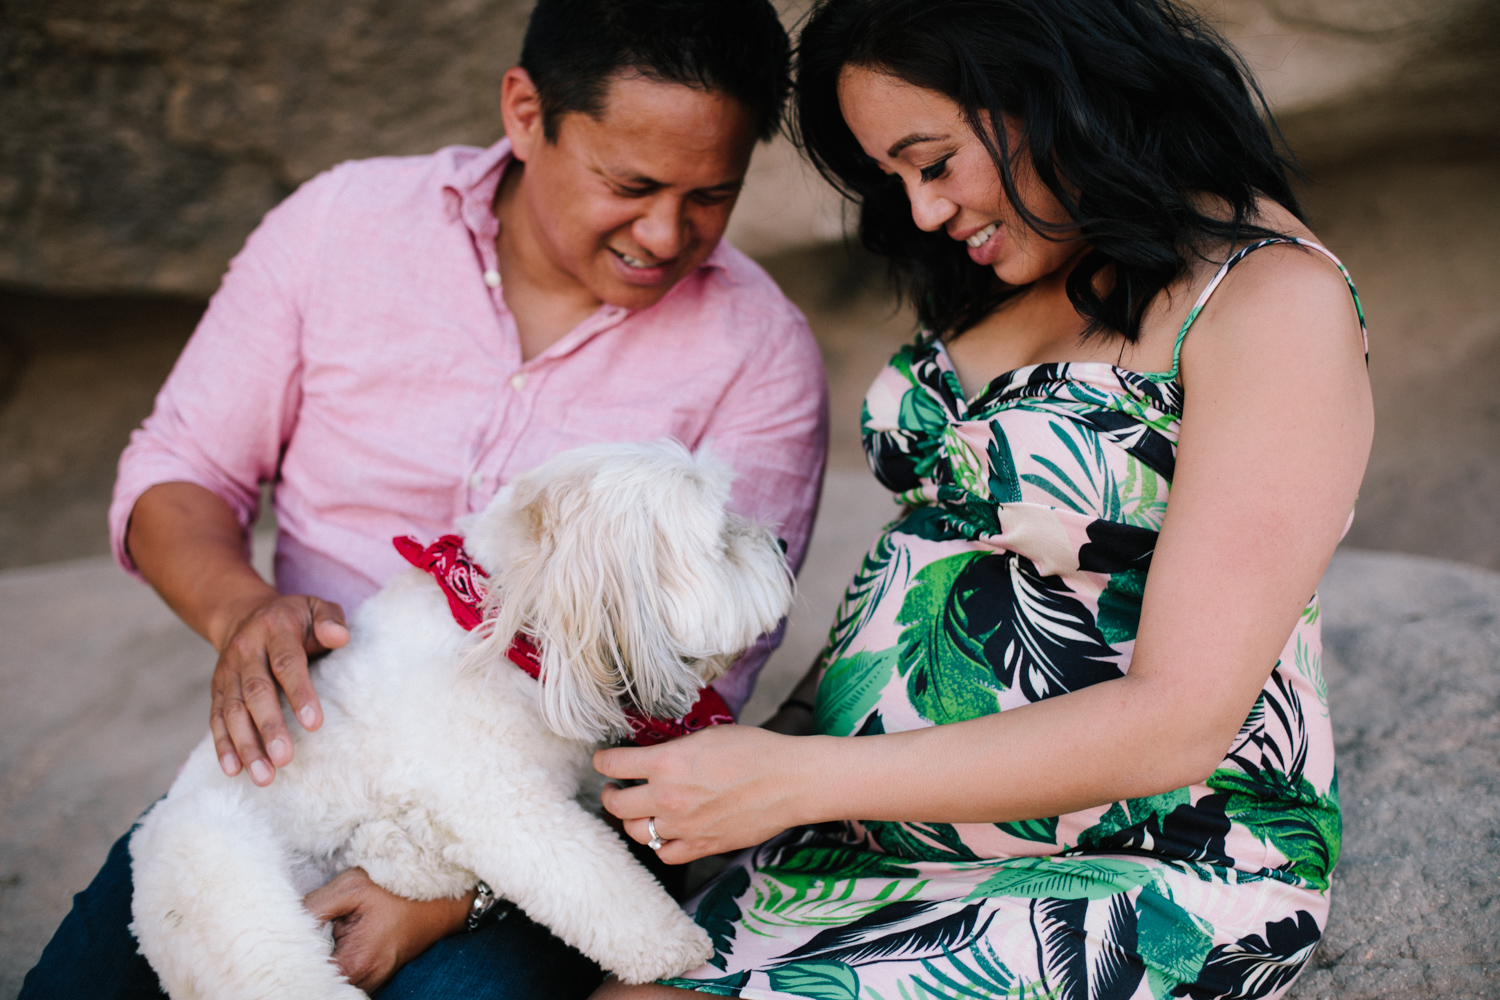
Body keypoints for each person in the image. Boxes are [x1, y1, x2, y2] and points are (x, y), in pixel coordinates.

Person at [20, 1, 826, 997]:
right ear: (527, 114)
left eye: (713, 195)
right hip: (320, 764)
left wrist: (450, 891)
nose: (666, 233)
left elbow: (692, 695)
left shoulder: (762, 353)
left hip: (564, 816)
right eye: (632, 184)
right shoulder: (340, 227)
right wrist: (243, 613)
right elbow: (181, 469)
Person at [588, 0, 1372, 997]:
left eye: (932, 161)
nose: (919, 211)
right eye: (893, 177)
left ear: (1046, 85)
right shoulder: (1024, 263)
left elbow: (1179, 718)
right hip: (852, 838)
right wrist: (757, 755)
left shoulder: (1270, 301)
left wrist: (796, 780)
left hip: (1129, 864)